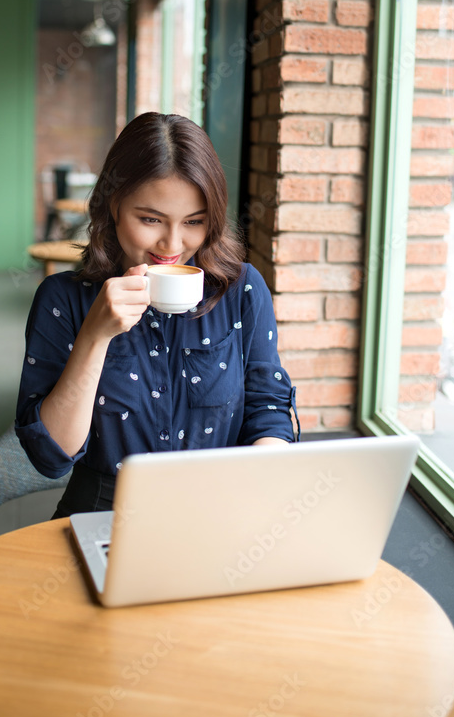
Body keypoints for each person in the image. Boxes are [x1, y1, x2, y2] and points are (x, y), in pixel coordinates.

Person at [15, 112, 299, 517]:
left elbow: (266, 407)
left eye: (194, 222)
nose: (172, 243)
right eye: (150, 219)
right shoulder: (63, 299)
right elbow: (52, 456)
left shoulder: (242, 290)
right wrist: (95, 337)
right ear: (113, 205)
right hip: (104, 513)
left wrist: (258, 481)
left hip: (221, 507)